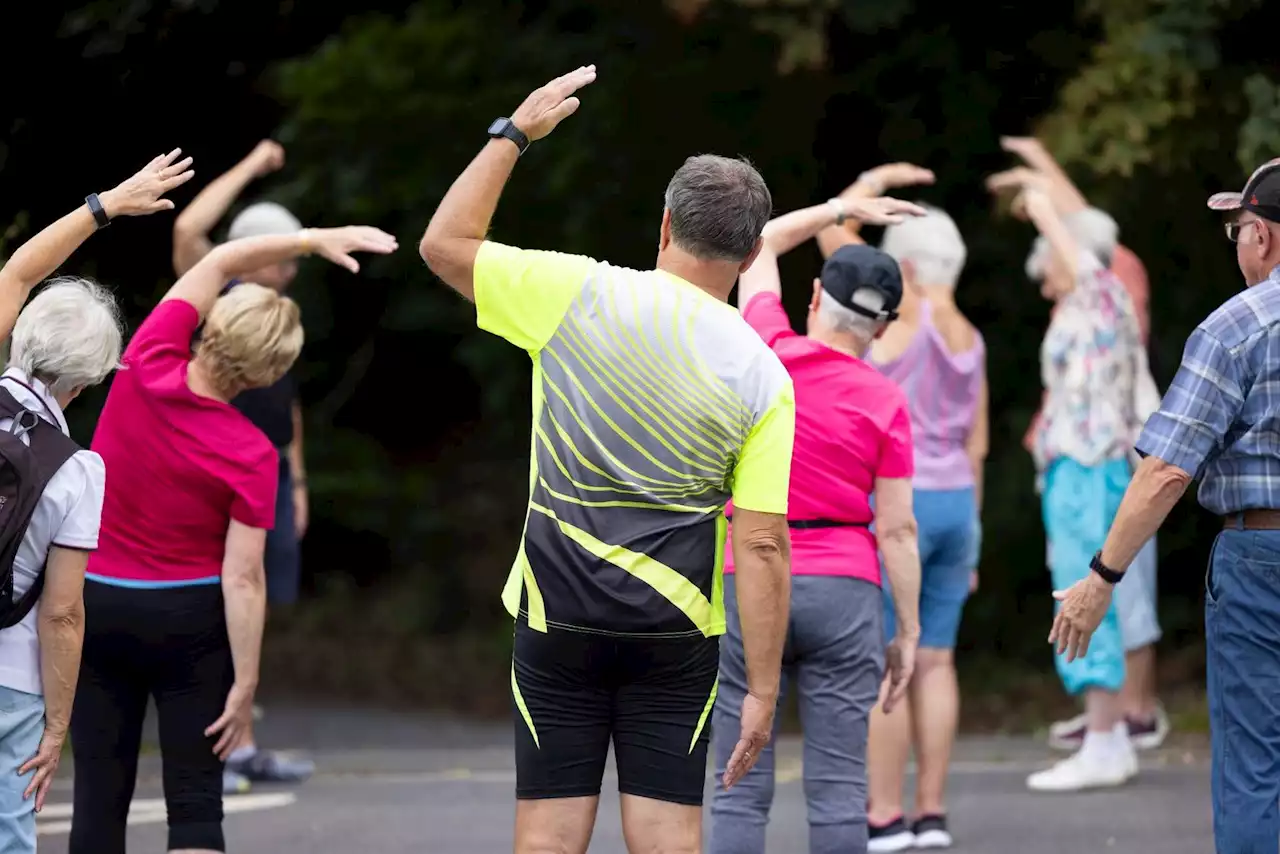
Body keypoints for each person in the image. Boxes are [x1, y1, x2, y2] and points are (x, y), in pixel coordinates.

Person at [419, 65, 796, 854]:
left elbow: (444, 244)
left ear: (664, 225)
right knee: (667, 836)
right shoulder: (764, 372)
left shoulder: (573, 292)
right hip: (677, 628)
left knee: (549, 835)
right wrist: (762, 689)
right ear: (754, 249)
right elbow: (761, 543)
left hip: (558, 611)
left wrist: (513, 133)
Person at [68, 221, 396, 854]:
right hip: (189, 623)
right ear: (268, 372)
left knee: (99, 800)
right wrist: (246, 684)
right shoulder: (251, 453)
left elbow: (220, 258)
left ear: (213, 324)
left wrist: (309, 241)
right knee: (195, 805)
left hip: (98, 604)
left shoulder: (143, 359)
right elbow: (243, 578)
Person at [1052, 157, 1280, 854]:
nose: (1237, 244)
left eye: (1237, 229)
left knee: (1255, 765)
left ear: (1264, 238)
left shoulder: (1236, 329)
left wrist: (1101, 578)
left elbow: (1163, 474)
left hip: (1262, 560)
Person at [707, 193, 926, 854]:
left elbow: (762, 242)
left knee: (737, 783)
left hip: (751, 571)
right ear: (883, 328)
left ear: (811, 298)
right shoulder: (885, 400)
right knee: (837, 787)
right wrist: (908, 632)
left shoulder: (764, 349)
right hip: (844, 589)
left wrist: (839, 209)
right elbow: (896, 530)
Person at [0, 151, 184, 852]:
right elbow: (64, 611)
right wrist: (56, 726)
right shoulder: (79, 471)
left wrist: (106, 204)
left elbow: (18, 270)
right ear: (92, 378)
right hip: (12, 677)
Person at [816, 162, 985, 850]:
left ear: (905, 265)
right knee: (938, 662)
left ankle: (883, 814)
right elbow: (979, 437)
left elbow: (835, 235)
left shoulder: (900, 315)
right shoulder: (971, 335)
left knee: (890, 657)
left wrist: (870, 182)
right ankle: (931, 814)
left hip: (900, 506)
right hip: (958, 506)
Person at [992, 136, 1169, 752]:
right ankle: (1103, 733)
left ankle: (1105, 738)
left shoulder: (1105, 295)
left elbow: (1085, 255)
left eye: (1049, 268)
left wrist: (1042, 203)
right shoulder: (1080, 308)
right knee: (1073, 583)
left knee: (1090, 589)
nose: (1043, 284)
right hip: (1071, 468)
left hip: (1095, 468)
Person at [172, 139, 315, 791]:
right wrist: (253, 166)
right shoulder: (214, 292)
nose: (290, 270)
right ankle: (217, 747)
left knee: (250, 604)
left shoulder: (280, 315)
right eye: (283, 257)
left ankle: (244, 744)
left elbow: (288, 404)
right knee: (219, 601)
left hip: (270, 474)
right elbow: (187, 227)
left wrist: (299, 477)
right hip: (216, 470)